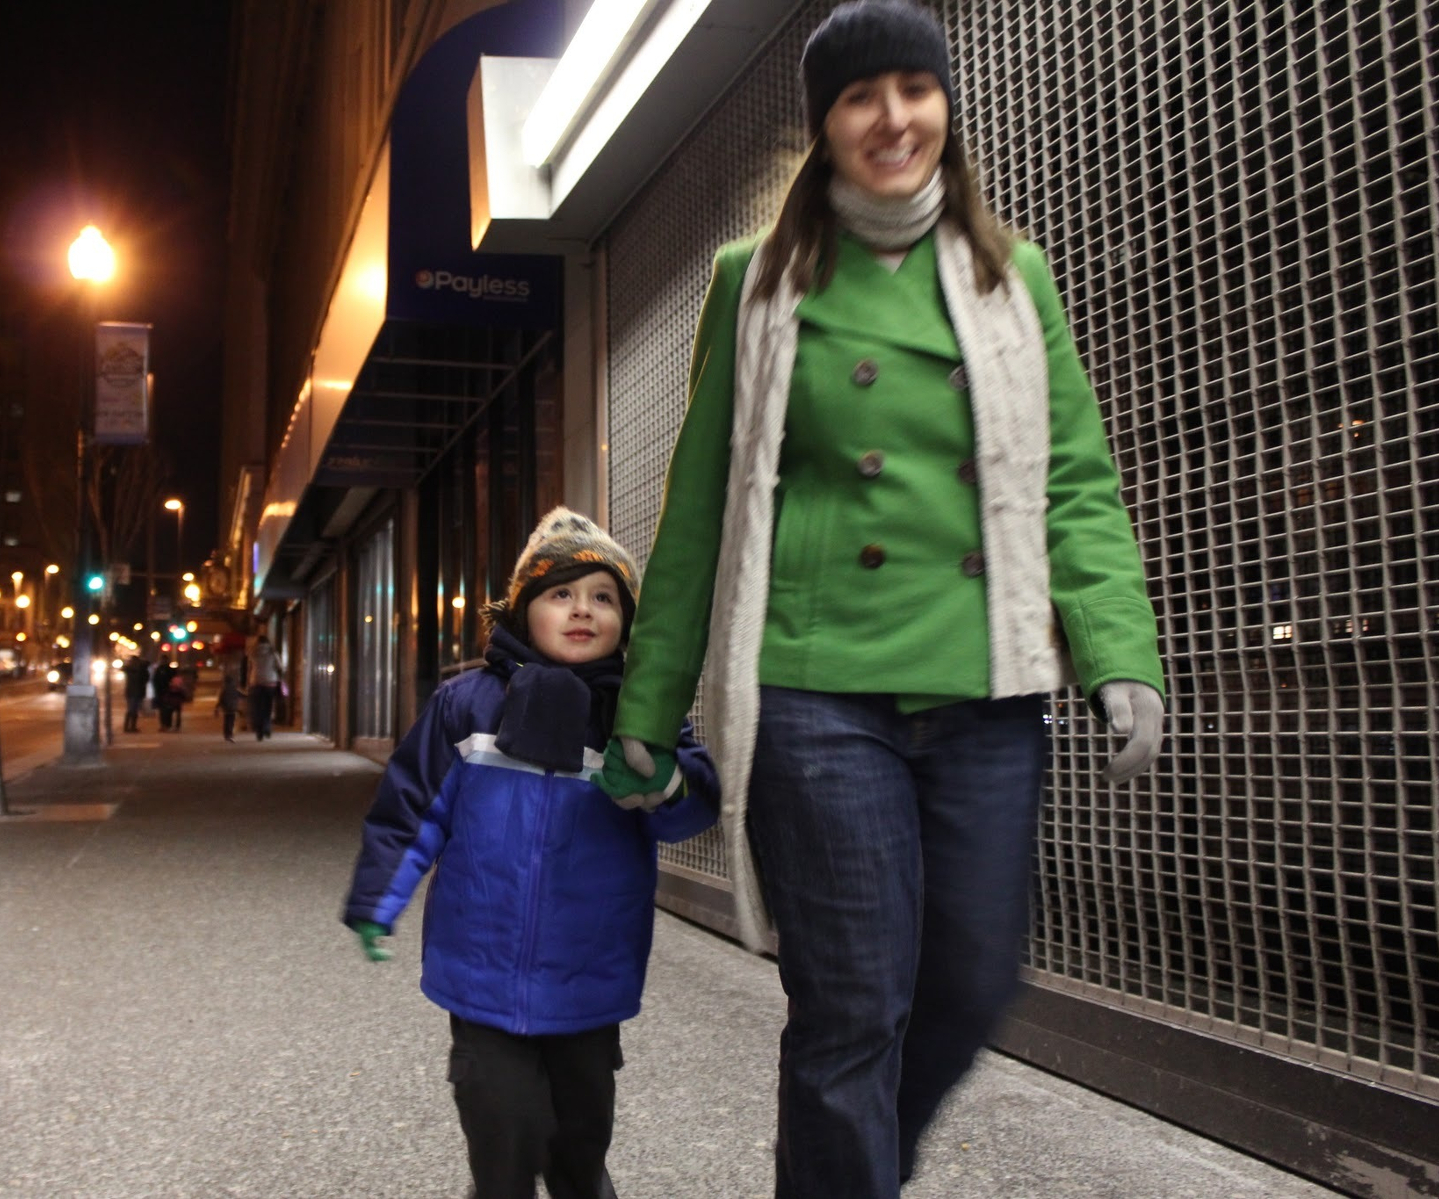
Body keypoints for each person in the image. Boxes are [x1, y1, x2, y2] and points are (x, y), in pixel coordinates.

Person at [593, 4, 1167, 1195]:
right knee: (852, 1001)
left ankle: (827, 1168)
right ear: (822, 125)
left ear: (944, 109)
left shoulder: (1016, 281)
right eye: (860, 96)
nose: (891, 117)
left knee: (966, 983)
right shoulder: (754, 283)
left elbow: (1074, 481)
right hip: (816, 693)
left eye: (914, 88)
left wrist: (1119, 648)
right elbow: (699, 508)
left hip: (985, 686)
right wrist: (645, 706)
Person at [343, 508, 720, 1199]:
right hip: (480, 973)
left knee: (578, 1143)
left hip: (588, 975)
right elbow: (408, 806)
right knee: (503, 1136)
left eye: (603, 597)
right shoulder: (467, 705)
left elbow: (693, 810)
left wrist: (660, 777)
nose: (583, 609)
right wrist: (377, 896)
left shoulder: (637, 717)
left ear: (626, 620)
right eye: (561, 593)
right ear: (523, 610)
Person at [246, 633, 282, 740]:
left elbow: (249, 668)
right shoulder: (273, 653)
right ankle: (267, 727)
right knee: (268, 707)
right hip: (270, 683)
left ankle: (259, 730)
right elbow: (280, 666)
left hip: (256, 682)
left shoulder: (253, 653)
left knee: (257, 707)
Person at [214, 662, 245, 742]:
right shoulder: (234, 689)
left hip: (226, 709)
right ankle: (229, 734)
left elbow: (220, 700)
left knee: (227, 721)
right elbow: (241, 695)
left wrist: (217, 708)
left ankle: (227, 734)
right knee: (231, 721)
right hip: (233, 708)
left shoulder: (224, 690)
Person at [121, 652, 150, 733]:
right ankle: (130, 727)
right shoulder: (138, 670)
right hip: (135, 692)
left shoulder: (132, 669)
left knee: (132, 710)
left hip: (132, 692)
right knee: (132, 710)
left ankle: (129, 727)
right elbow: (146, 678)